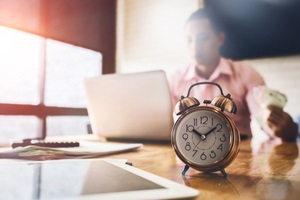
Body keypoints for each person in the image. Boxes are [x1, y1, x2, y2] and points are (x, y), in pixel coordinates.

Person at [168, 8, 298, 142]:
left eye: (203, 38)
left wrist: (279, 126)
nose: (195, 47)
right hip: (191, 150)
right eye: (189, 40)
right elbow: (160, 123)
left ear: (220, 38)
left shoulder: (246, 74)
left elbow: (263, 115)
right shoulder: (175, 80)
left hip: (238, 153)